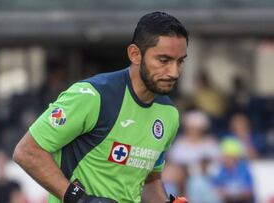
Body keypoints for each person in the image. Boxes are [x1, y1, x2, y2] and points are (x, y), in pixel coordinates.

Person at [13, 11, 188, 203]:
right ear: (135, 54)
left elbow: (150, 180)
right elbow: (27, 152)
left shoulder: (169, 114)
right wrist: (82, 200)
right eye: (164, 60)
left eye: (180, 61)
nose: (174, 72)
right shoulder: (92, 96)